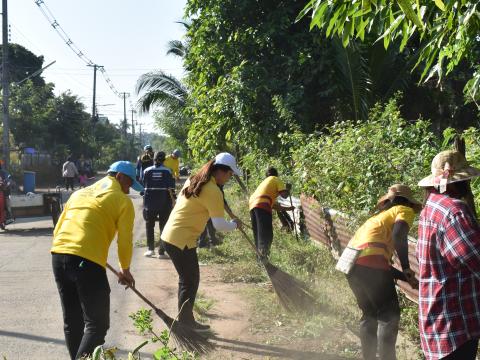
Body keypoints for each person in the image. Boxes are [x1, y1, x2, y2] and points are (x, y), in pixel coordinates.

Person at [51, 161, 143, 359]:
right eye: (128, 184)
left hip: (58, 256)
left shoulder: (78, 194)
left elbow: (58, 229)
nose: (128, 191)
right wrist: (125, 269)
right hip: (86, 262)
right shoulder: (121, 200)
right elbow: (124, 240)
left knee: (72, 321)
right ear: (118, 177)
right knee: (97, 324)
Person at [161, 152, 242, 330]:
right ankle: (186, 321)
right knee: (189, 280)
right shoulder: (212, 190)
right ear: (221, 171)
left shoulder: (195, 179)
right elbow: (219, 225)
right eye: (230, 174)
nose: (229, 178)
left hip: (175, 236)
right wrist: (234, 224)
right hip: (180, 238)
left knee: (189, 279)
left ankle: (186, 319)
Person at [417, 150, 480, 360]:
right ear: (456, 182)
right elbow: (474, 258)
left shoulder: (431, 206)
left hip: (437, 318)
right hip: (455, 323)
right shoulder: (454, 211)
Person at [345, 184, 419, 360]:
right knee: (388, 315)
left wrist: (404, 278)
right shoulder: (404, 210)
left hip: (350, 265)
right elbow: (399, 236)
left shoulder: (375, 220)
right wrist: (407, 269)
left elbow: (372, 261)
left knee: (369, 314)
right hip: (368, 265)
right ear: (407, 202)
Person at [249, 167, 294, 259]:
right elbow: (284, 195)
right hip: (262, 205)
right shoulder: (275, 179)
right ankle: (264, 258)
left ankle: (259, 259)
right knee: (267, 234)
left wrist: (288, 208)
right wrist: (288, 189)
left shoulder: (265, 184)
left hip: (252, 205)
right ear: (276, 174)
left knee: (258, 234)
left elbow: (273, 206)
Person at [142, 151, 176, 258]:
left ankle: (150, 249)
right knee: (163, 226)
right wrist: (174, 201)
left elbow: (143, 184)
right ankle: (161, 252)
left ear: (154, 159)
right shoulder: (168, 171)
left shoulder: (146, 171)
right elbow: (171, 189)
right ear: (164, 160)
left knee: (149, 226)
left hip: (149, 203)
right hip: (164, 203)